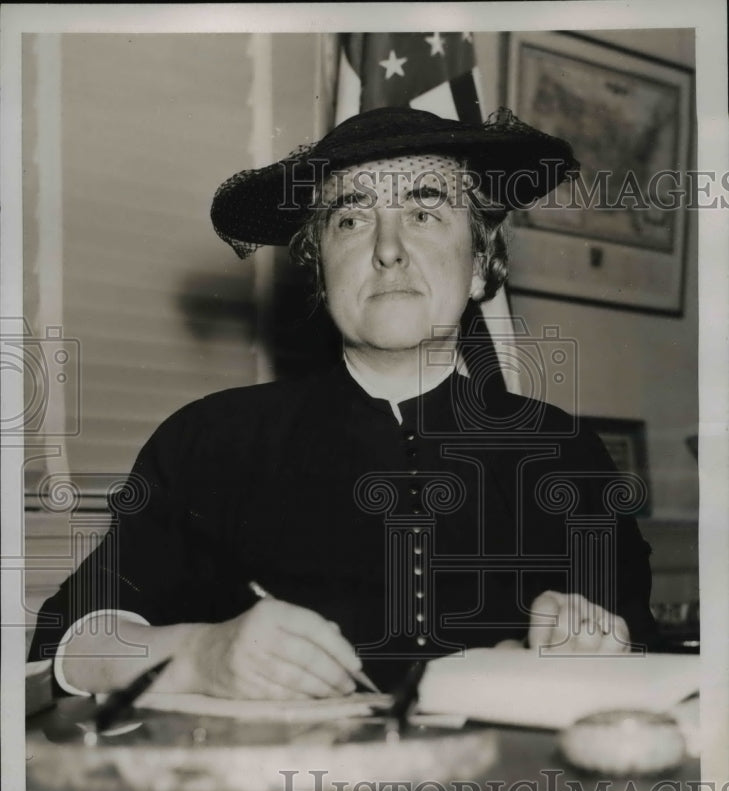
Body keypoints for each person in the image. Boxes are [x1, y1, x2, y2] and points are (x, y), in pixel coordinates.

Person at [29, 106, 656, 699]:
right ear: (321, 270)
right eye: (351, 219)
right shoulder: (212, 442)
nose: (388, 248)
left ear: (479, 263)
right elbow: (67, 645)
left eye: (425, 212)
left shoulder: (567, 456)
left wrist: (595, 642)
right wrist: (200, 656)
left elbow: (640, 657)